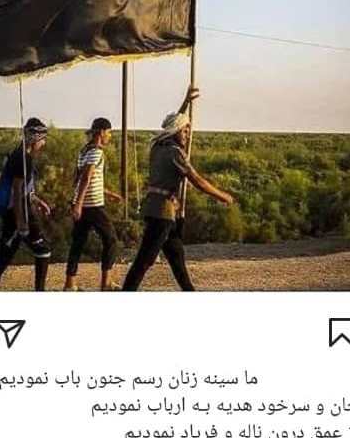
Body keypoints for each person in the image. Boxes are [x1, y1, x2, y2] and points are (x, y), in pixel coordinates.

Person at [122, 88, 234, 291]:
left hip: (160, 209)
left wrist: (185, 102)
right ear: (175, 132)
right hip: (162, 212)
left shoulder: (157, 146)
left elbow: (174, 122)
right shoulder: (175, 153)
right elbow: (197, 180)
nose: (187, 135)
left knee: (176, 256)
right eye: (184, 131)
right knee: (144, 260)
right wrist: (222, 196)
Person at [0, 118, 52, 291]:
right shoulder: (23, 159)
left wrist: (38, 201)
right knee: (42, 250)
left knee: (6, 252)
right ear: (35, 138)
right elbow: (17, 191)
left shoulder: (18, 154)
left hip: (15, 210)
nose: (43, 144)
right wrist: (21, 222)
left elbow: (25, 189)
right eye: (42, 139)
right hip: (20, 211)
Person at [64, 117, 122, 291]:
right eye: (109, 132)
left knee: (78, 243)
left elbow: (86, 179)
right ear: (102, 132)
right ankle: (106, 283)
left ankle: (70, 285)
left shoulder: (84, 151)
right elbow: (86, 178)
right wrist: (79, 204)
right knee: (111, 240)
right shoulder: (97, 152)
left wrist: (109, 194)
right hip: (92, 206)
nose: (110, 136)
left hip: (83, 204)